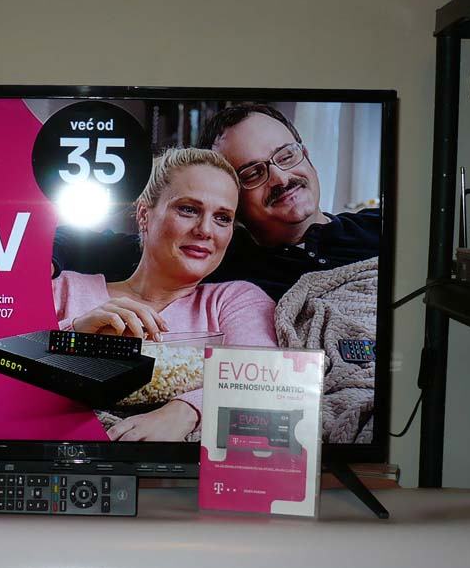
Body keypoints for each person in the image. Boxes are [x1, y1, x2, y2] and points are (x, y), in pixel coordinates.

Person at [52, 148, 277, 442]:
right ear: (144, 215)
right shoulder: (63, 289)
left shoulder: (235, 301)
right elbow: (2, 374)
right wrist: (74, 338)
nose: (205, 230)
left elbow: (265, 379)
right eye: (188, 209)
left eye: (223, 218)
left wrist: (185, 411)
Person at [52, 103, 381, 301]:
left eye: (286, 155)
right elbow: (66, 240)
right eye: (253, 173)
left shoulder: (382, 228)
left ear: (305, 154)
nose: (281, 179)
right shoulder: (211, 251)